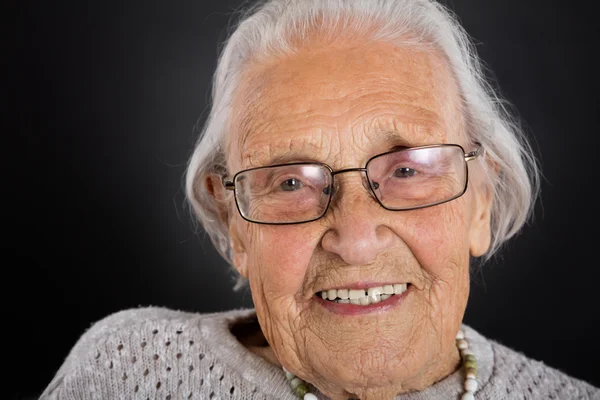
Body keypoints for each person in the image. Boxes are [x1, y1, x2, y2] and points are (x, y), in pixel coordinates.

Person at [40, 0, 599, 399]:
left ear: (482, 200)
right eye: (290, 182)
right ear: (235, 224)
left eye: (406, 169)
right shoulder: (130, 374)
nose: (355, 239)